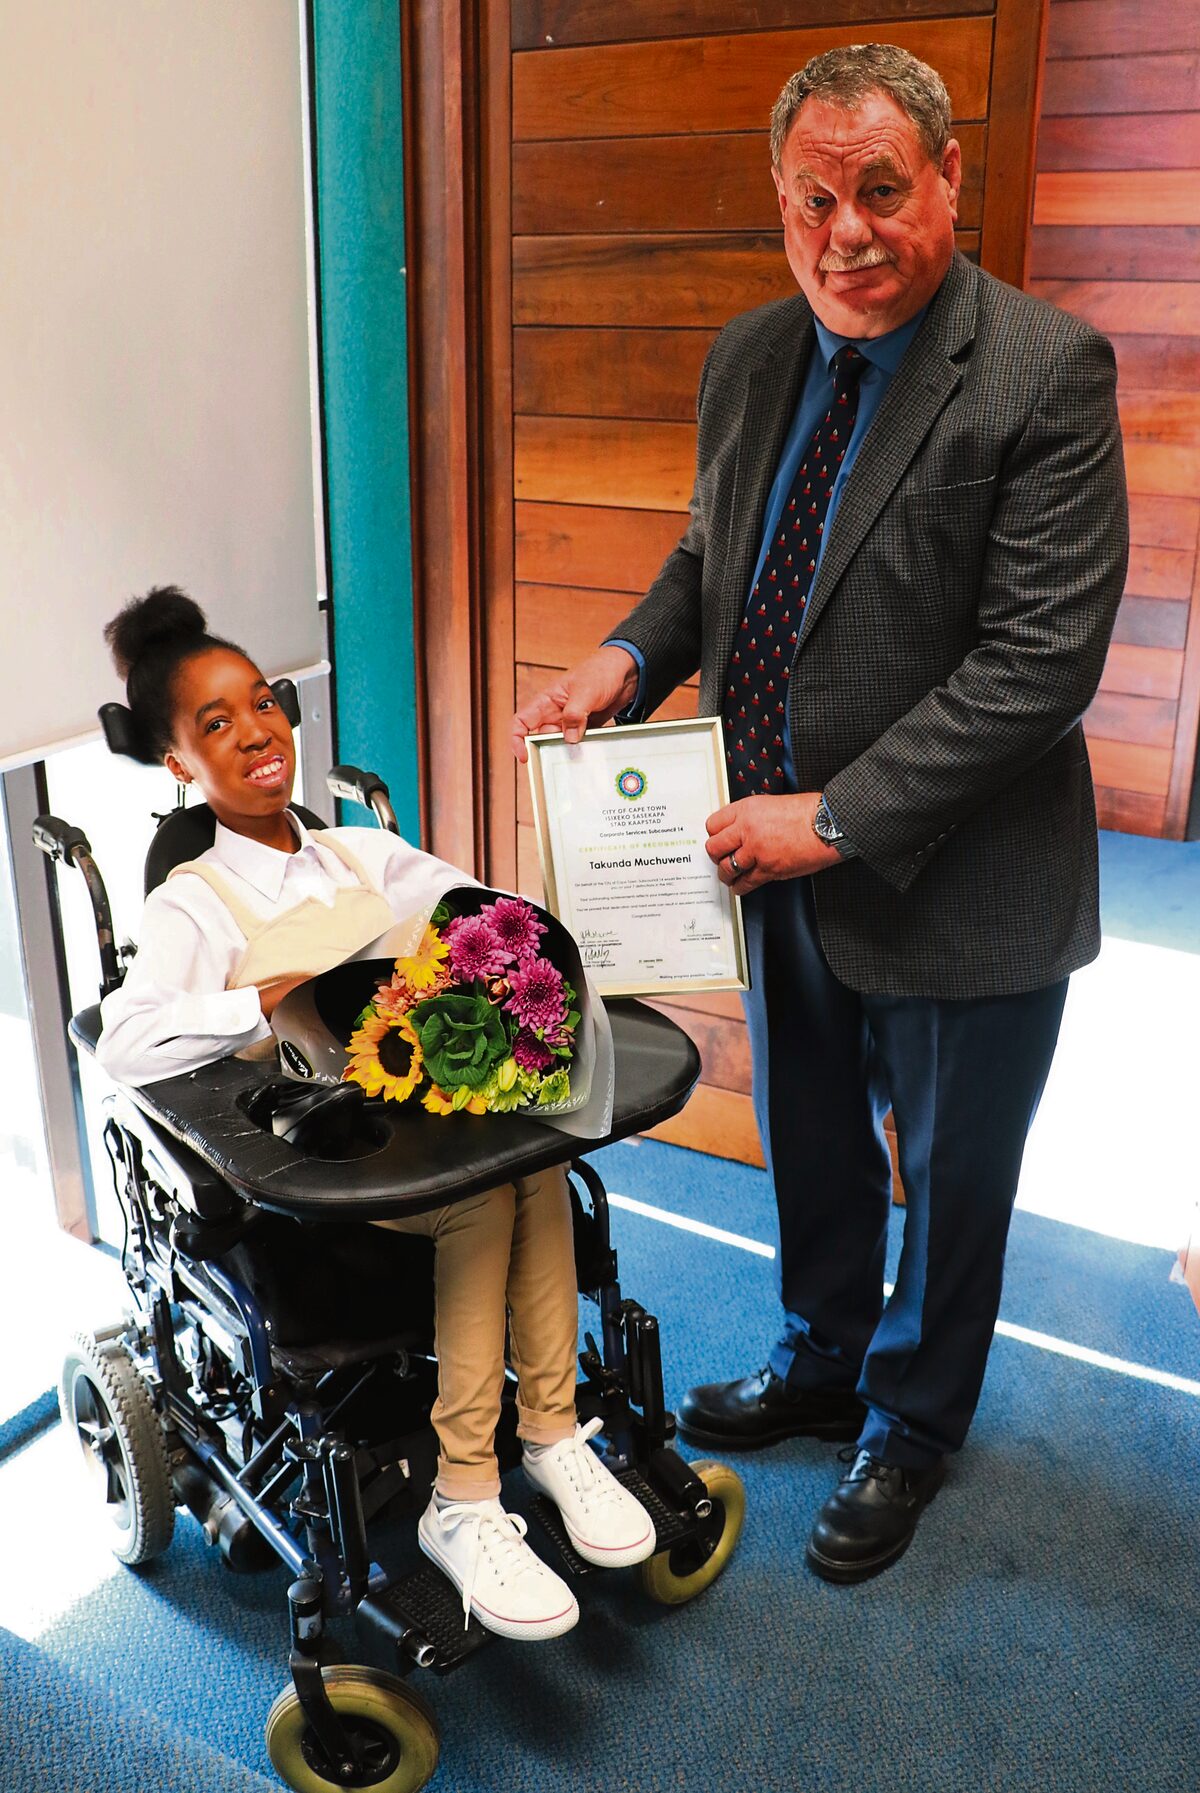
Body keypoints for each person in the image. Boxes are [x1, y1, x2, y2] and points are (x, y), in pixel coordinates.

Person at [512, 43, 1128, 1583]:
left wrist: (834, 818)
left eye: (879, 192)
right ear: (777, 201)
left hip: (962, 875)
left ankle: (911, 1423)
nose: (846, 233)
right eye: (813, 198)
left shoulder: (1046, 371)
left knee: (953, 1173)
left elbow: (1038, 667)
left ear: (947, 181)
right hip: (760, 853)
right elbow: (714, 560)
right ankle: (821, 1354)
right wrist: (624, 658)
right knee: (810, 1139)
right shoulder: (749, 356)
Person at [98, 586, 655, 1638]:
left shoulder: (361, 852)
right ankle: (465, 1494)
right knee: (485, 1200)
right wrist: (258, 995)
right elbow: (125, 1040)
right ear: (180, 763)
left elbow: (487, 919)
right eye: (217, 721)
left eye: (264, 703)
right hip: (323, 1167)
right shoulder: (194, 902)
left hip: (428, 1132)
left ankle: (552, 1435)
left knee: (529, 1162)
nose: (257, 730)